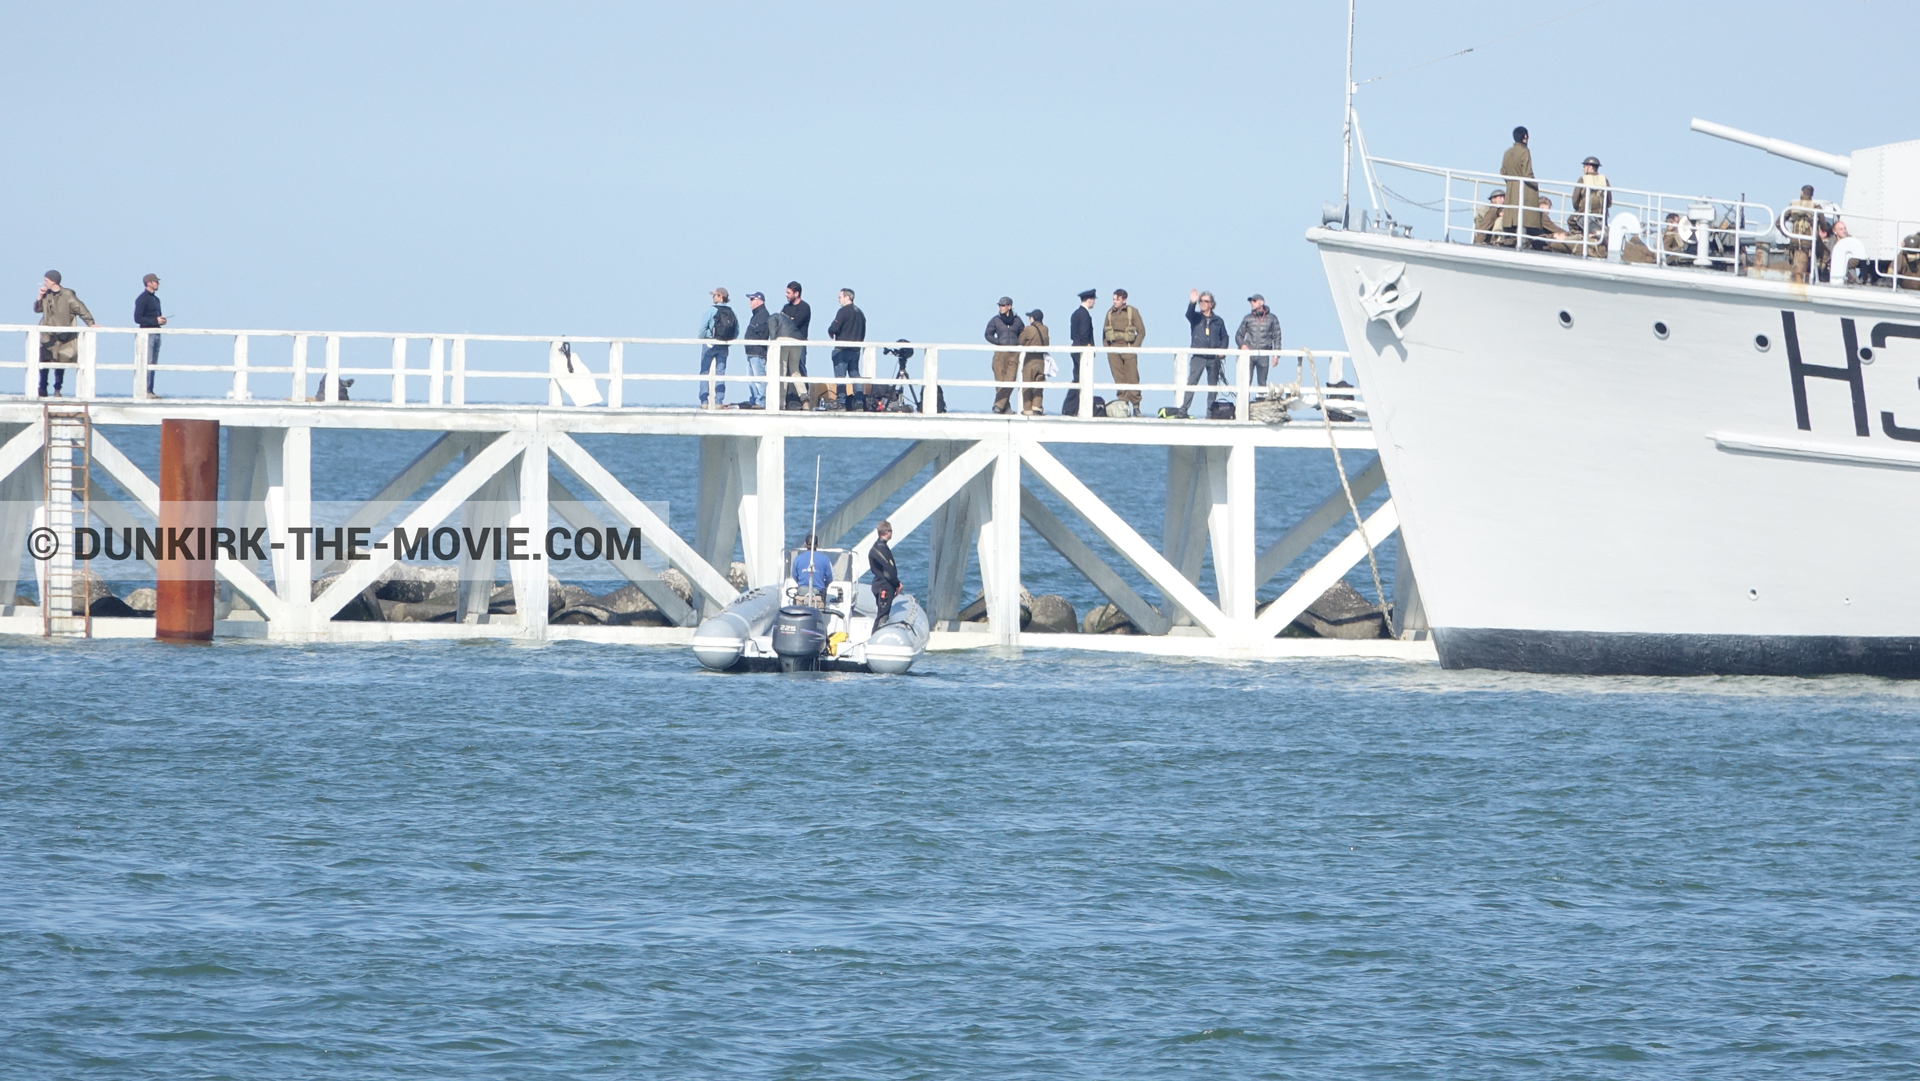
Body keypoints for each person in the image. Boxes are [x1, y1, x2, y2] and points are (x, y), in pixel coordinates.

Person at [34, 271, 95, 398]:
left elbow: (80, 308)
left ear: (53, 281)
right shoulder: (46, 295)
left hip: (63, 335)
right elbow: (37, 309)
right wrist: (40, 296)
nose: (45, 282)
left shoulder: (67, 295)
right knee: (44, 359)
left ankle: (57, 388)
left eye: (46, 280)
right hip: (47, 333)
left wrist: (90, 323)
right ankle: (42, 387)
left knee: (61, 360)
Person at [1181, 289, 1228, 414]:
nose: (1202, 303)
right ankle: (1184, 409)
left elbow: (1225, 337)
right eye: (1201, 301)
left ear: (1211, 304)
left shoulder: (1218, 321)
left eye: (1205, 301)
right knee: (1192, 382)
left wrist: (1222, 350)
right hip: (1198, 356)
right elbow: (1188, 314)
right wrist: (1192, 302)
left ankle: (1210, 411)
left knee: (1212, 385)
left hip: (1213, 358)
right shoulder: (1195, 317)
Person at [1102, 289, 1145, 412]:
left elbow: (1141, 331)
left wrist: (1135, 347)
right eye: (1114, 299)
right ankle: (1123, 406)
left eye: (1117, 299)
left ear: (1124, 300)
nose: (1115, 302)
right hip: (1114, 349)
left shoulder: (1132, 312)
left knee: (1132, 378)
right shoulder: (1110, 313)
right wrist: (1108, 349)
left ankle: (1136, 406)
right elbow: (1104, 333)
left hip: (1128, 348)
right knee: (1118, 379)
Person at [1235, 294, 1281, 400]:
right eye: (1251, 301)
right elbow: (1238, 335)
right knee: (1246, 382)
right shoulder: (1248, 318)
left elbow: (1277, 337)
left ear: (1262, 302)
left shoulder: (1272, 319)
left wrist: (1276, 355)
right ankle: (1243, 406)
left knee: (1262, 383)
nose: (1252, 303)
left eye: (1254, 301)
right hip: (1249, 355)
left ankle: (1261, 406)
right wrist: (1242, 345)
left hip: (1264, 354)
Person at [827, 288, 866, 410]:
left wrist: (831, 331)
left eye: (840, 297)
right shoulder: (860, 313)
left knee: (840, 377)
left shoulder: (843, 311)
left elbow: (834, 327)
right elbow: (863, 331)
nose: (838, 300)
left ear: (847, 298)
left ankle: (841, 402)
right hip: (855, 350)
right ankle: (859, 401)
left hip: (842, 350)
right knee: (855, 375)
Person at [985, 296, 1024, 414]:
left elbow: (1022, 334)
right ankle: (1005, 408)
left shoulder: (1017, 321)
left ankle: (998, 405)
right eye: (1000, 305)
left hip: (1013, 354)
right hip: (1000, 354)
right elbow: (988, 334)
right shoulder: (995, 320)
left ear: (1009, 306)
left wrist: (1018, 343)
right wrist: (998, 342)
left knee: (1010, 380)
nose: (1001, 308)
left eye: (1003, 305)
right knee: (1000, 381)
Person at [698, 287, 736, 409]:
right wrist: (727, 341)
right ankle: (719, 401)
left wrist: (705, 338)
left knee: (704, 372)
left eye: (714, 295)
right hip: (724, 346)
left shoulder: (711, 310)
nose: (713, 297)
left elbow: (702, 329)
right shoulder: (731, 312)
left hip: (710, 345)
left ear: (720, 296)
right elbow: (736, 330)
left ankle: (704, 401)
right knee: (721, 374)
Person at [1499, 126, 1540, 236]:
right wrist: (1535, 186)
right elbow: (1527, 173)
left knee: (1511, 221)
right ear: (1525, 137)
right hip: (1524, 190)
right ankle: (1523, 242)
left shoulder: (1507, 152)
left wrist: (1510, 182)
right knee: (1524, 220)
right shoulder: (1524, 151)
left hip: (1510, 190)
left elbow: (1502, 172)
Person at [1062, 288, 1096, 416]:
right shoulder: (1084, 315)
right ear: (1089, 300)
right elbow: (1084, 334)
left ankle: (1073, 408)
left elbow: (1073, 334)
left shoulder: (1075, 313)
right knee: (1081, 379)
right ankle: (1070, 408)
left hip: (1075, 348)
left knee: (1078, 378)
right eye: (1093, 300)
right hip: (1082, 351)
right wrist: (1088, 347)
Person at [1570, 156, 1610, 257]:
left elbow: (1575, 199)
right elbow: (1609, 201)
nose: (1583, 169)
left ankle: (1580, 238)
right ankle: (1594, 236)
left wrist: (1578, 209)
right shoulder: (1604, 180)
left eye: (1584, 166)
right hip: (1601, 217)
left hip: (1584, 215)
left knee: (1570, 221)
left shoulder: (1583, 179)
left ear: (1590, 167)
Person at [133, 273, 166, 395]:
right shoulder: (142, 299)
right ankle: (145, 390)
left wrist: (161, 321)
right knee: (147, 361)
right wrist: (155, 321)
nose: (158, 284)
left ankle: (150, 389)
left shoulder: (156, 299)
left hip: (156, 332)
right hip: (147, 335)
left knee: (153, 363)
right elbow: (138, 318)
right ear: (149, 283)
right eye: (155, 282)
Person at [1016, 309, 1049, 415]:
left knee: (1027, 385)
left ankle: (1028, 409)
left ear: (1033, 318)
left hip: (1030, 360)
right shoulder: (1045, 329)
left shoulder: (1028, 329)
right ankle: (1037, 407)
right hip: (1041, 361)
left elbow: (1020, 341)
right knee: (1039, 385)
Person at [741, 291, 770, 409]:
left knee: (759, 379)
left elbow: (761, 335)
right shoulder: (756, 315)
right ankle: (754, 400)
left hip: (757, 353)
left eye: (752, 299)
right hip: (751, 352)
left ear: (759, 301)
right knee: (751, 379)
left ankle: (761, 402)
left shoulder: (763, 315)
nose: (750, 302)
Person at [868, 519, 899, 626]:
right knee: (882, 616)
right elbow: (889, 570)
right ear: (887, 532)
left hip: (879, 584)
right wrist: (897, 584)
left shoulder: (876, 548)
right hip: (884, 586)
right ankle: (875, 638)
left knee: (881, 614)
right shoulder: (882, 549)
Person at [1785, 185, 1819, 283]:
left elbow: (1778, 223)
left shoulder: (1793, 205)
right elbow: (1823, 224)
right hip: (1808, 241)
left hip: (1794, 241)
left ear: (1801, 192)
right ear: (1812, 194)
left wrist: (1787, 234)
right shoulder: (1816, 206)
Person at [781, 282, 812, 377]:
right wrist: (789, 320)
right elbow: (780, 323)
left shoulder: (804, 307)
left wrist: (788, 321)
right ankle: (787, 392)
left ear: (796, 293)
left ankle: (804, 391)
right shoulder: (786, 307)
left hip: (799, 343)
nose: (786, 295)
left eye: (788, 293)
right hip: (786, 343)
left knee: (800, 367)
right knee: (785, 370)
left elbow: (795, 324)